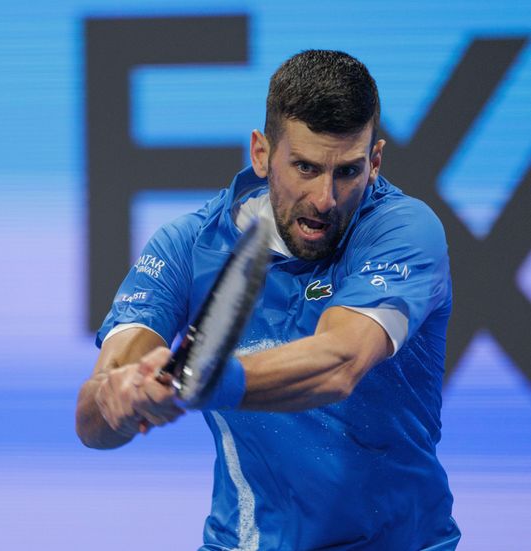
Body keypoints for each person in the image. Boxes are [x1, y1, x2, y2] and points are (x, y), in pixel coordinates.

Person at [75, 50, 461, 550]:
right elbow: (93, 418)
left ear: (375, 161)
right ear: (261, 153)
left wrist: (207, 378)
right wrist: (119, 397)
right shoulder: (185, 248)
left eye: (347, 171)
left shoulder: (404, 230)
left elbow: (338, 362)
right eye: (304, 166)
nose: (325, 198)